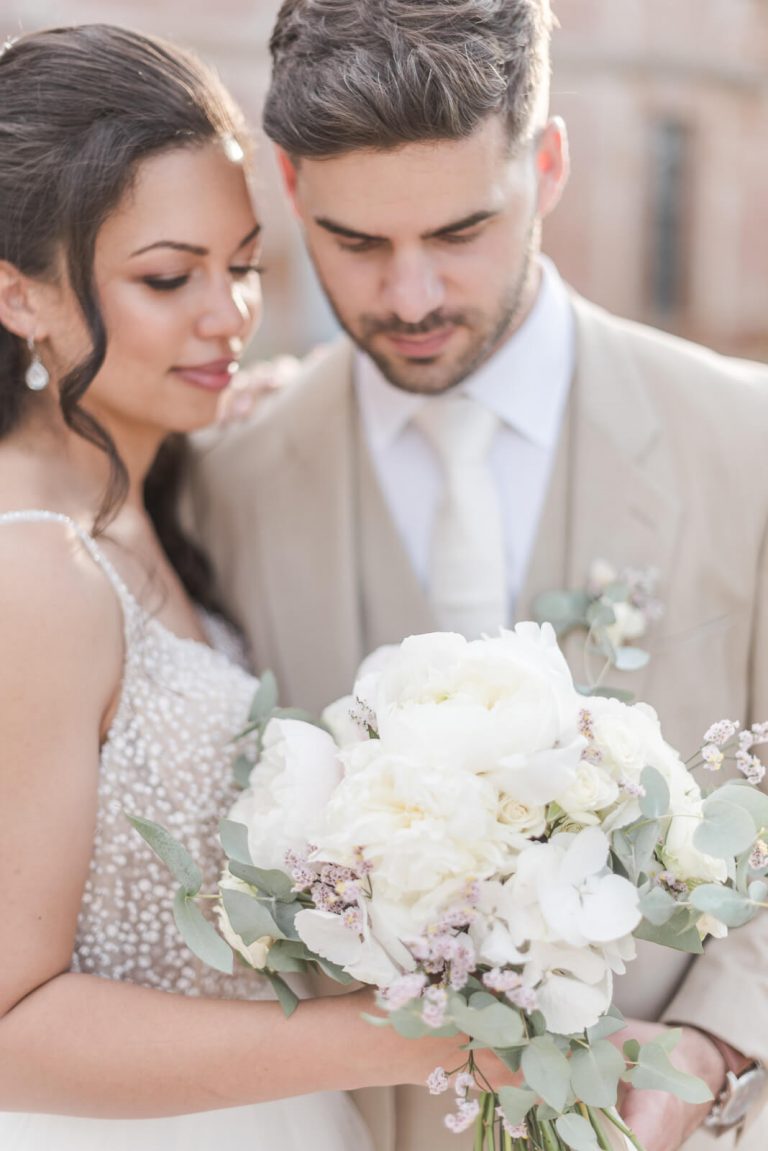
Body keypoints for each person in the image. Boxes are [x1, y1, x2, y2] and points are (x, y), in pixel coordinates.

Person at [185, 2, 768, 1151]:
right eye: (357, 243)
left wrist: (715, 1040)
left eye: (461, 232)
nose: (409, 298)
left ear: (546, 166)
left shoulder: (747, 444)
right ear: (291, 188)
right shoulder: (221, 480)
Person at [0, 24, 510, 1151]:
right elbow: (7, 1022)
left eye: (243, 264)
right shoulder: (28, 568)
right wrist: (418, 1029)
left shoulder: (156, 484)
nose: (231, 314)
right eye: (169, 277)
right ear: (19, 295)